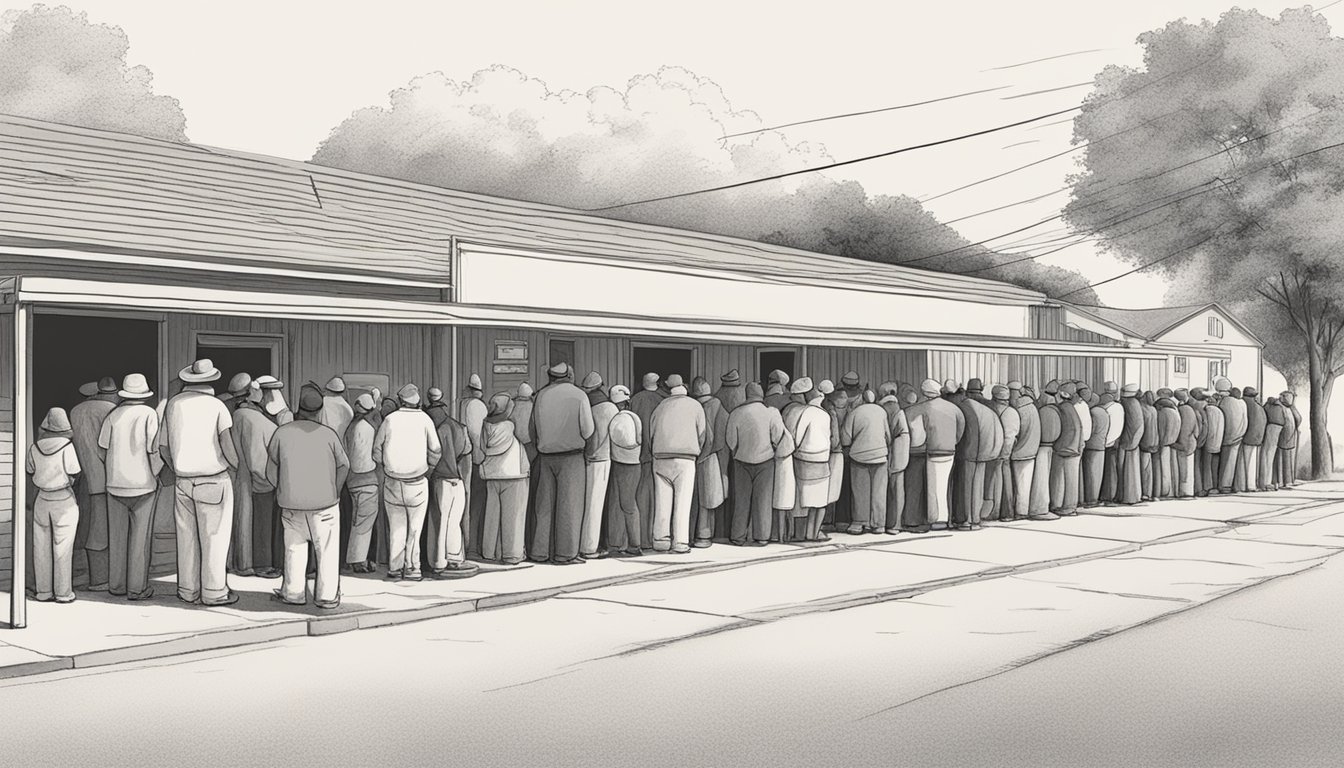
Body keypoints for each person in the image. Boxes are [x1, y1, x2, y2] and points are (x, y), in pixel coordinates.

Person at [161, 359, 240, 606]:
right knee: (214, 537)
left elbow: (163, 446)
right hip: (214, 479)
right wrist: (236, 466)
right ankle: (214, 592)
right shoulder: (217, 406)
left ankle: (187, 590)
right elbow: (227, 445)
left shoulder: (173, 405)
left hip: (183, 481)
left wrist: (177, 467)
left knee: (187, 539)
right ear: (212, 380)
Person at [265, 383, 348, 608]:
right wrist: (335, 491)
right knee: (328, 551)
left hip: (291, 504)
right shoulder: (329, 435)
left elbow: (270, 470)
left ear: (298, 409)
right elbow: (344, 466)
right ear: (319, 411)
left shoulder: (281, 433)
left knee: (294, 549)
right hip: (326, 505)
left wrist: (282, 488)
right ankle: (327, 596)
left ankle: (293, 593)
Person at [97, 374, 162, 600]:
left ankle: (116, 585)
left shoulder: (112, 416)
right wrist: (156, 473)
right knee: (140, 540)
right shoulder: (149, 414)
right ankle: (137, 589)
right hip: (143, 485)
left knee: (117, 538)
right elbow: (154, 449)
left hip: (115, 484)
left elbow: (102, 449)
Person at [373, 384, 441, 581]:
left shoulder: (389, 420)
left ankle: (394, 568)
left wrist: (387, 464)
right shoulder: (425, 420)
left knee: (396, 528)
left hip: (392, 481)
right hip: (418, 482)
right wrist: (428, 467)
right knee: (415, 529)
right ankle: (412, 568)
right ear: (418, 401)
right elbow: (436, 450)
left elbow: (376, 450)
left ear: (401, 401)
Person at [529, 362, 595, 564]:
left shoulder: (540, 395)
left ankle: (540, 552)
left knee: (544, 507)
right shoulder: (579, 395)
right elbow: (588, 429)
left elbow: (531, 430)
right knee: (570, 507)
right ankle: (565, 554)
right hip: (571, 457)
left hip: (545, 456)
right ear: (569, 375)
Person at [27, 408, 82, 604]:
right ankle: (63, 593)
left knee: (40, 547)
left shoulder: (34, 447)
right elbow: (74, 471)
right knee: (63, 548)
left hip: (42, 498)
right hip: (63, 499)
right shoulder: (67, 446)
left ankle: (43, 592)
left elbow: (29, 469)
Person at [648, 374, 707, 554]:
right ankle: (680, 542)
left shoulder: (660, 407)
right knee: (683, 501)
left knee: (662, 500)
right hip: (686, 458)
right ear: (685, 387)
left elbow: (651, 434)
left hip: (660, 458)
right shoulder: (695, 406)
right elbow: (702, 435)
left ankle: (660, 540)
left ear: (668, 388)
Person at [726, 382, 790, 546]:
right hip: (765, 461)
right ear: (761, 395)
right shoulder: (771, 413)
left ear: (747, 395)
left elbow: (731, 441)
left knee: (741, 500)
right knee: (763, 500)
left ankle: (738, 536)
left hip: (741, 461)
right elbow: (778, 437)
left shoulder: (736, 413)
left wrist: (738, 450)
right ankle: (762, 536)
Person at [70, 376, 118, 592]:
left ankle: (85, 575)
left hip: (81, 476)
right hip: (105, 477)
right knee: (102, 531)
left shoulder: (75, 411)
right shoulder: (109, 410)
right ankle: (100, 579)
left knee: (85, 527)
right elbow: (108, 447)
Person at [477, 393, 530, 565]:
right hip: (513, 474)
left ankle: (489, 552)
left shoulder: (485, 426)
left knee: (492, 516)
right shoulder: (509, 425)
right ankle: (512, 554)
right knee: (513, 517)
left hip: (491, 474)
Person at [427, 391, 475, 578]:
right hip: (456, 479)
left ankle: (438, 562)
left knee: (439, 522)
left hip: (437, 478)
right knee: (454, 521)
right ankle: (454, 559)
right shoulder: (457, 427)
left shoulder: (431, 427)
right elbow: (467, 450)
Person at [905, 379, 964, 531]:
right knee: (943, 486)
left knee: (933, 488)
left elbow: (915, 436)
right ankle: (944, 518)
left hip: (931, 451)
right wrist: (953, 442)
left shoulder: (919, 408)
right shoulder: (954, 409)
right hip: (949, 450)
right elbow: (960, 430)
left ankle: (937, 520)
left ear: (924, 392)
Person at [788, 380, 833, 541]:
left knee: (802, 501)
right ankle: (813, 533)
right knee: (820, 501)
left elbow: (798, 437)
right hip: (822, 459)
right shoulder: (825, 415)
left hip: (804, 458)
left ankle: (801, 534)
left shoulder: (805, 412)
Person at [841, 388, 890, 535]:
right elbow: (888, 436)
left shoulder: (855, 413)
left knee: (860, 492)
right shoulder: (882, 412)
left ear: (862, 398)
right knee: (879, 492)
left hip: (859, 456)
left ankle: (859, 523)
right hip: (880, 456)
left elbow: (846, 438)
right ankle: (878, 524)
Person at [581, 372, 617, 559]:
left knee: (584, 504)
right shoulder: (610, 408)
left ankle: (582, 544)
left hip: (583, 458)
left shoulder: (585, 405)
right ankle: (590, 547)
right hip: (603, 458)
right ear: (602, 386)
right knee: (596, 505)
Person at [344, 394, 380, 572]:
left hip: (351, 479)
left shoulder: (351, 426)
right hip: (366, 479)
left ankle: (353, 558)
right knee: (364, 521)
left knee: (356, 519)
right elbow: (362, 461)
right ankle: (358, 560)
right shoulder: (366, 428)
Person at [606, 385, 644, 557]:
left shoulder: (617, 419)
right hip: (634, 463)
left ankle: (631, 545)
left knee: (624, 505)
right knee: (628, 505)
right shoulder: (635, 417)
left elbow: (624, 440)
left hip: (621, 463)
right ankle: (628, 543)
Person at [693, 377, 728, 548]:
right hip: (716, 456)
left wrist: (700, 455)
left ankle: (703, 535)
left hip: (702, 456)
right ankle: (709, 534)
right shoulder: (718, 406)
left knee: (702, 498)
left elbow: (707, 436)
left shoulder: (697, 406)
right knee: (711, 497)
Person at [630, 372, 663, 550]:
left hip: (638, 456)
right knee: (659, 499)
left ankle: (642, 538)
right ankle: (654, 538)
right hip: (659, 455)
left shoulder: (635, 400)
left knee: (640, 498)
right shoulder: (663, 400)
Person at [460, 374, 489, 559]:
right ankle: (472, 546)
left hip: (462, 458)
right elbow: (477, 434)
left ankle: (464, 544)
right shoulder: (477, 406)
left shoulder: (462, 404)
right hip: (475, 460)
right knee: (476, 505)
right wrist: (481, 457)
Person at [879, 383, 910, 535]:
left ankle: (885, 523)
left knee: (885, 490)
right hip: (900, 454)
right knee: (898, 490)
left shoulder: (883, 409)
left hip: (888, 453)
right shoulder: (898, 409)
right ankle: (896, 523)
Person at [986, 385, 1019, 522]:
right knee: (1005, 481)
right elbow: (1011, 435)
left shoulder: (988, 409)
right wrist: (1006, 451)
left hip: (991, 451)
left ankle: (993, 512)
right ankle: (1006, 513)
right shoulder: (1011, 412)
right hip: (1004, 451)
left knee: (992, 483)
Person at [1008, 383, 1040, 521]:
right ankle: (1022, 510)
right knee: (1025, 484)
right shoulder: (1032, 407)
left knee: (1020, 485)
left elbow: (1015, 433)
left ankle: (1020, 512)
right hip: (1032, 451)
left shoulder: (1018, 410)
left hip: (1019, 452)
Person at [1052, 383, 1083, 515]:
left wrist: (1057, 446)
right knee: (1071, 479)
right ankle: (1068, 507)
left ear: (1063, 394)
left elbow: (1061, 429)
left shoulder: (1063, 408)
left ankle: (1068, 507)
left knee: (1064, 479)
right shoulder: (1071, 408)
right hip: (1074, 447)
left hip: (1066, 448)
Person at [1214, 378, 1246, 494]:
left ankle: (1223, 485)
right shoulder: (1240, 403)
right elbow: (1244, 420)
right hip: (1238, 436)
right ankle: (1232, 485)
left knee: (1224, 462)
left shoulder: (1223, 402)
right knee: (1233, 462)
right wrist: (1241, 433)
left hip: (1226, 437)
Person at [1082, 389, 1110, 508]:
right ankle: (1095, 498)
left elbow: (1090, 430)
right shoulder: (1103, 412)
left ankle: (1091, 500)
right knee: (1097, 474)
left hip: (1092, 446)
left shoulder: (1093, 412)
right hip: (1101, 445)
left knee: (1090, 474)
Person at [1174, 390, 1201, 498]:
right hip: (1192, 441)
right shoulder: (1192, 410)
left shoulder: (1180, 411)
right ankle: (1189, 491)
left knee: (1183, 469)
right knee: (1189, 468)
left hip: (1183, 443)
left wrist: (1177, 444)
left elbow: (1181, 430)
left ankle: (1184, 492)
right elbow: (1197, 429)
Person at [1240, 386, 1267, 492]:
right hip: (1257, 438)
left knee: (1244, 463)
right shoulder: (1258, 406)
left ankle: (1246, 486)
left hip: (1247, 437)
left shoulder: (1245, 404)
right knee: (1253, 462)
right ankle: (1252, 485)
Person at [1198, 389, 1224, 496]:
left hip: (1210, 440)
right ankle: (1215, 486)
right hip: (1218, 441)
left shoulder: (1208, 410)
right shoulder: (1219, 411)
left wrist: (1203, 440)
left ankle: (1208, 487)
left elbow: (1209, 427)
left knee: (1207, 466)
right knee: (1215, 465)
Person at [1155, 390, 1181, 498]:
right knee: (1173, 469)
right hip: (1173, 443)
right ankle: (1173, 491)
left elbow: (1160, 430)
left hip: (1164, 444)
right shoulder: (1175, 411)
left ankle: (1165, 491)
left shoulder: (1162, 413)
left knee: (1164, 469)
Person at [1138, 392, 1160, 501]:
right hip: (1154, 441)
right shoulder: (1153, 410)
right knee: (1151, 469)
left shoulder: (1142, 409)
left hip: (1144, 442)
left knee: (1144, 469)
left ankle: (1145, 493)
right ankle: (1151, 493)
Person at [319, 376, 355, 442]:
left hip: (323, 441)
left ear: (328, 389)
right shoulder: (347, 407)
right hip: (340, 444)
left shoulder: (323, 402)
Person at [1261, 394, 1284, 491]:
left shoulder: (1267, 407)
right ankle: (1273, 482)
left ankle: (1266, 482)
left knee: (1266, 456)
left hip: (1270, 429)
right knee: (1272, 456)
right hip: (1278, 431)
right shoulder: (1280, 408)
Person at [1278, 391, 1301, 487]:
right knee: (1283, 458)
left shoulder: (1289, 408)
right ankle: (1284, 481)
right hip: (1285, 435)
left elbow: (1298, 418)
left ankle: (1287, 481)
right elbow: (1298, 419)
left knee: (1285, 458)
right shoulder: (1284, 408)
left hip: (1288, 436)